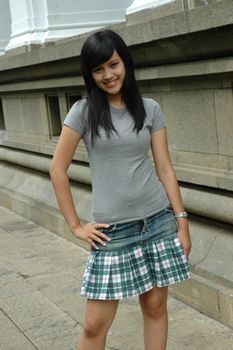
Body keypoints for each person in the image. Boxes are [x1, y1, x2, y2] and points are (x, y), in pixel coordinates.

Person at [50, 29, 192, 350]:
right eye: (98, 69)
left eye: (113, 64)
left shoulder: (151, 108)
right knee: (93, 325)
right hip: (112, 232)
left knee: (155, 308)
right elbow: (58, 169)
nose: (108, 75)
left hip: (157, 221)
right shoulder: (83, 112)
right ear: (90, 74)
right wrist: (75, 225)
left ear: (124, 61)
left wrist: (181, 221)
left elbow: (164, 168)